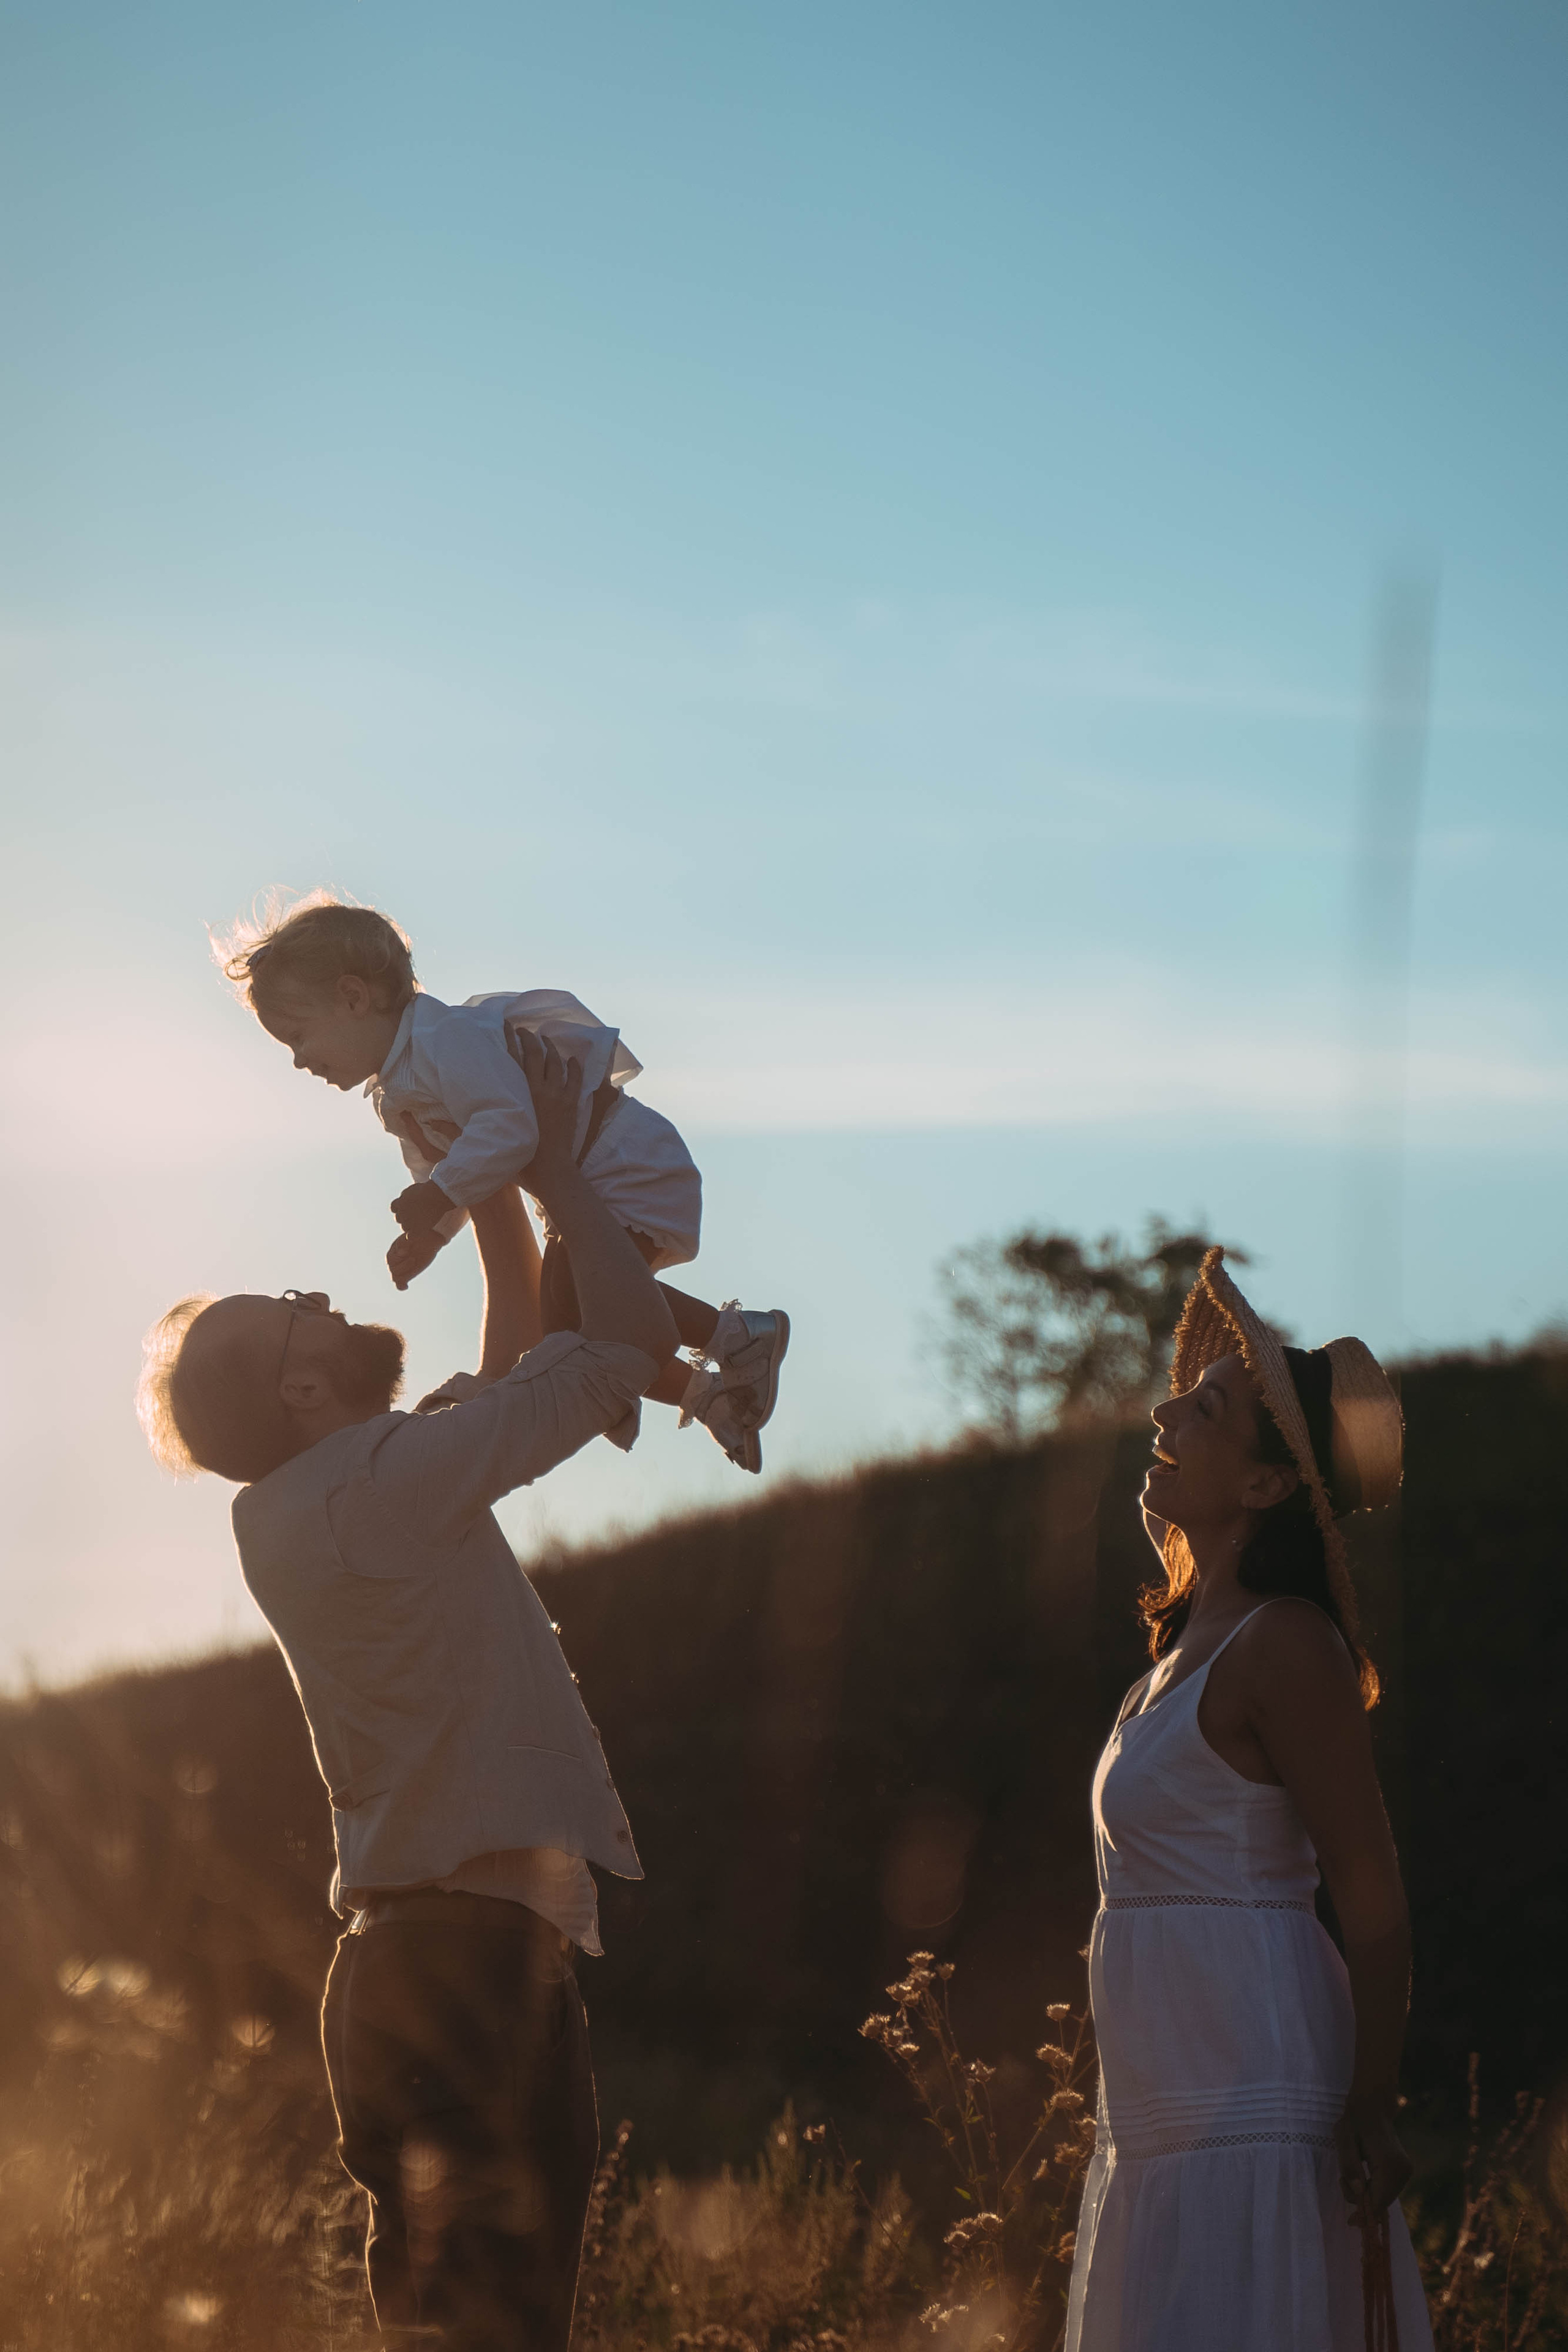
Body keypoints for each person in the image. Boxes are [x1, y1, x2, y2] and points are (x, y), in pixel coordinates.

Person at [137, 1034, 680, 2352]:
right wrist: (555, 1162)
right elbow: (619, 1347)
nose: (322, 1298)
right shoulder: (381, 1486)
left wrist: (486, 1181)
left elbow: (507, 1371)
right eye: (296, 1309)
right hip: (464, 1971)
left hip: (436, 1961)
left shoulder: (327, 1498)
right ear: (301, 1386)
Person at [1065, 1248, 1433, 2351]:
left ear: (1269, 1485)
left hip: (1256, 2098)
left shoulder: (1286, 1646)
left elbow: (1373, 1900)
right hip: (1162, 2113)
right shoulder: (1171, 1664)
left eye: (1208, 1408)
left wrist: (1370, 2104)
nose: (1166, 1412)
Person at [217, 889, 790, 1472]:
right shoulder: (397, 1092)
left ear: (352, 998)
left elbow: (509, 1126)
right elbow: (454, 1170)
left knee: (581, 1303)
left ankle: (738, 1337)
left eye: (298, 1036)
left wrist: (439, 1195)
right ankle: (707, 1395)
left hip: (625, 1162)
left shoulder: (446, 1041)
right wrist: (432, 1232)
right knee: (562, 1324)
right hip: (583, 1186)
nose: (298, 1060)